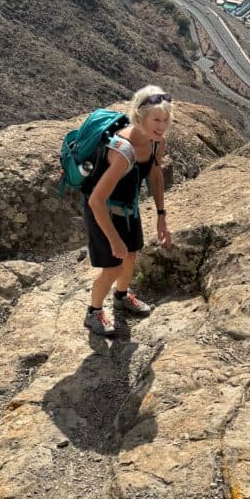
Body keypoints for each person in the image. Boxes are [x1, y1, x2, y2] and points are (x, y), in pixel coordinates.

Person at [81, 84, 173, 336]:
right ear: (139, 116)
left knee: (131, 256)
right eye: (156, 119)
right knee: (113, 266)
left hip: (128, 209)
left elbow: (155, 176)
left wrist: (161, 216)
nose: (161, 125)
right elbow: (95, 202)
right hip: (102, 211)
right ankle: (93, 313)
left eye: (165, 119)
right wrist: (113, 239)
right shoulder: (122, 151)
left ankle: (121, 296)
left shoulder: (156, 143)